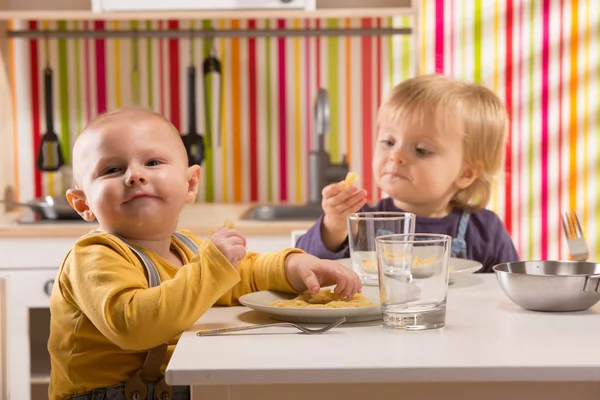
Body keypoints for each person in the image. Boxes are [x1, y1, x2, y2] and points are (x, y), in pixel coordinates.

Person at [48, 107, 361, 400]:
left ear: (190, 183)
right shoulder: (93, 256)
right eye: (112, 169)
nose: (135, 175)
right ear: (83, 203)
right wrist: (212, 265)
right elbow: (133, 325)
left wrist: (296, 266)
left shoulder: (184, 246)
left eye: (153, 163)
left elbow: (244, 273)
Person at [296, 74, 519, 272]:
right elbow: (303, 266)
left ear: (466, 173)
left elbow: (510, 291)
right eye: (388, 141)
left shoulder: (486, 231)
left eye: (421, 150)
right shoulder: (359, 221)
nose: (396, 155)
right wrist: (333, 226)